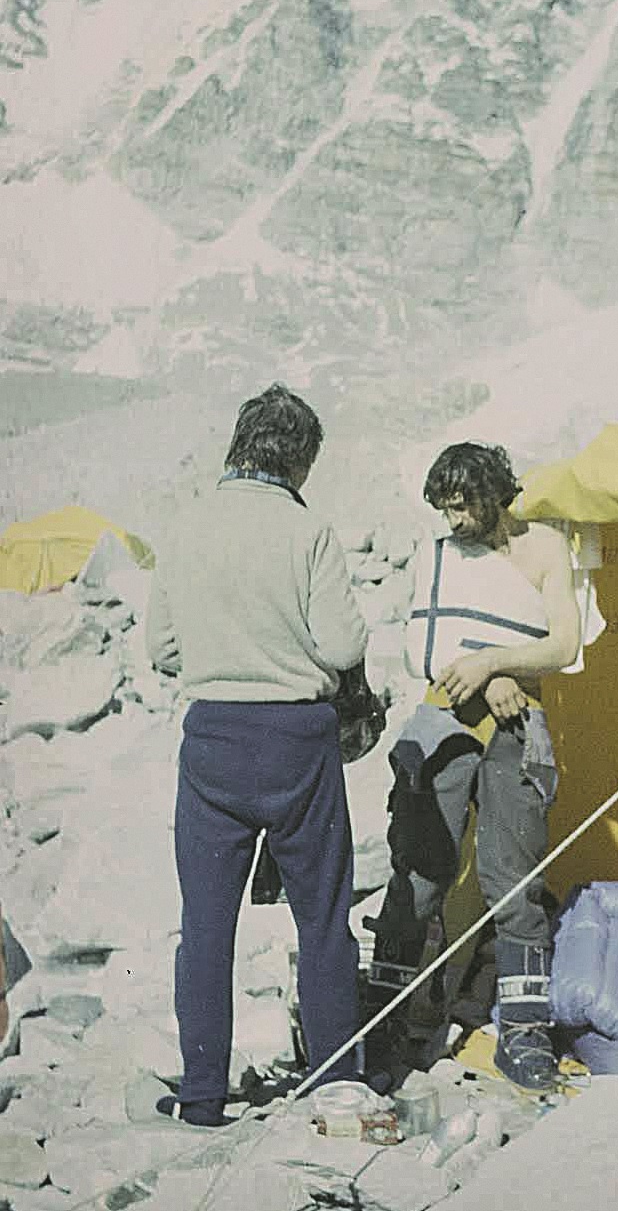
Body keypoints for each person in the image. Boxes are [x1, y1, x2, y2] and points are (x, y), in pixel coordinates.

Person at [145, 382, 368, 1126]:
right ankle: (337, 1081)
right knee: (322, 918)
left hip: (212, 739)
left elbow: (162, 647)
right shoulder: (308, 532)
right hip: (297, 744)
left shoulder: (186, 527)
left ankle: (203, 1093)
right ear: (301, 460)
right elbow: (341, 644)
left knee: (206, 927)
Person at [365, 442, 581, 1091]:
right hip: (443, 719)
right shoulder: (437, 557)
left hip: (516, 727)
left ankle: (524, 1032)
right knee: (419, 878)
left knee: (512, 878)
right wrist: (485, 675)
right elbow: (423, 644)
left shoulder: (545, 550)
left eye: (464, 507)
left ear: (495, 495)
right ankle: (383, 1028)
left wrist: (493, 664)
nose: (455, 522)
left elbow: (564, 645)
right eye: (445, 509)